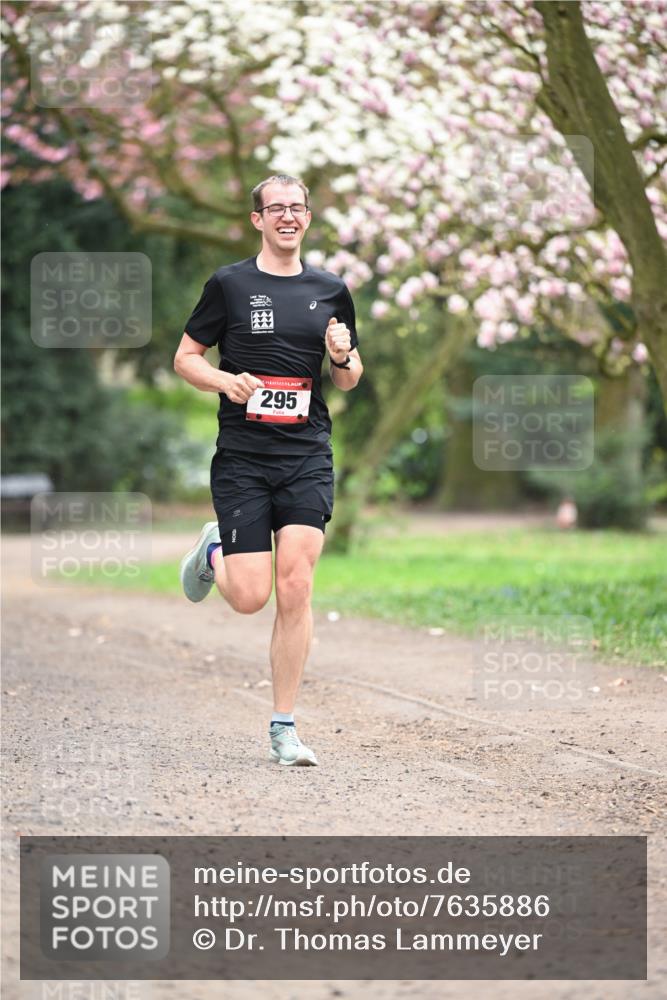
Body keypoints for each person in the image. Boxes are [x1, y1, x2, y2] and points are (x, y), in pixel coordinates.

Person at [173, 174, 363, 767]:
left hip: (307, 453)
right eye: (275, 207)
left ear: (308, 218)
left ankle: (284, 727)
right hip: (244, 460)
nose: (287, 215)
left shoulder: (331, 289)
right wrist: (226, 381)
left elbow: (350, 377)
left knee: (297, 586)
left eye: (297, 207)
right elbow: (184, 358)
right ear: (257, 219)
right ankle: (215, 552)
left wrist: (341, 355)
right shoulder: (229, 284)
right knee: (251, 597)